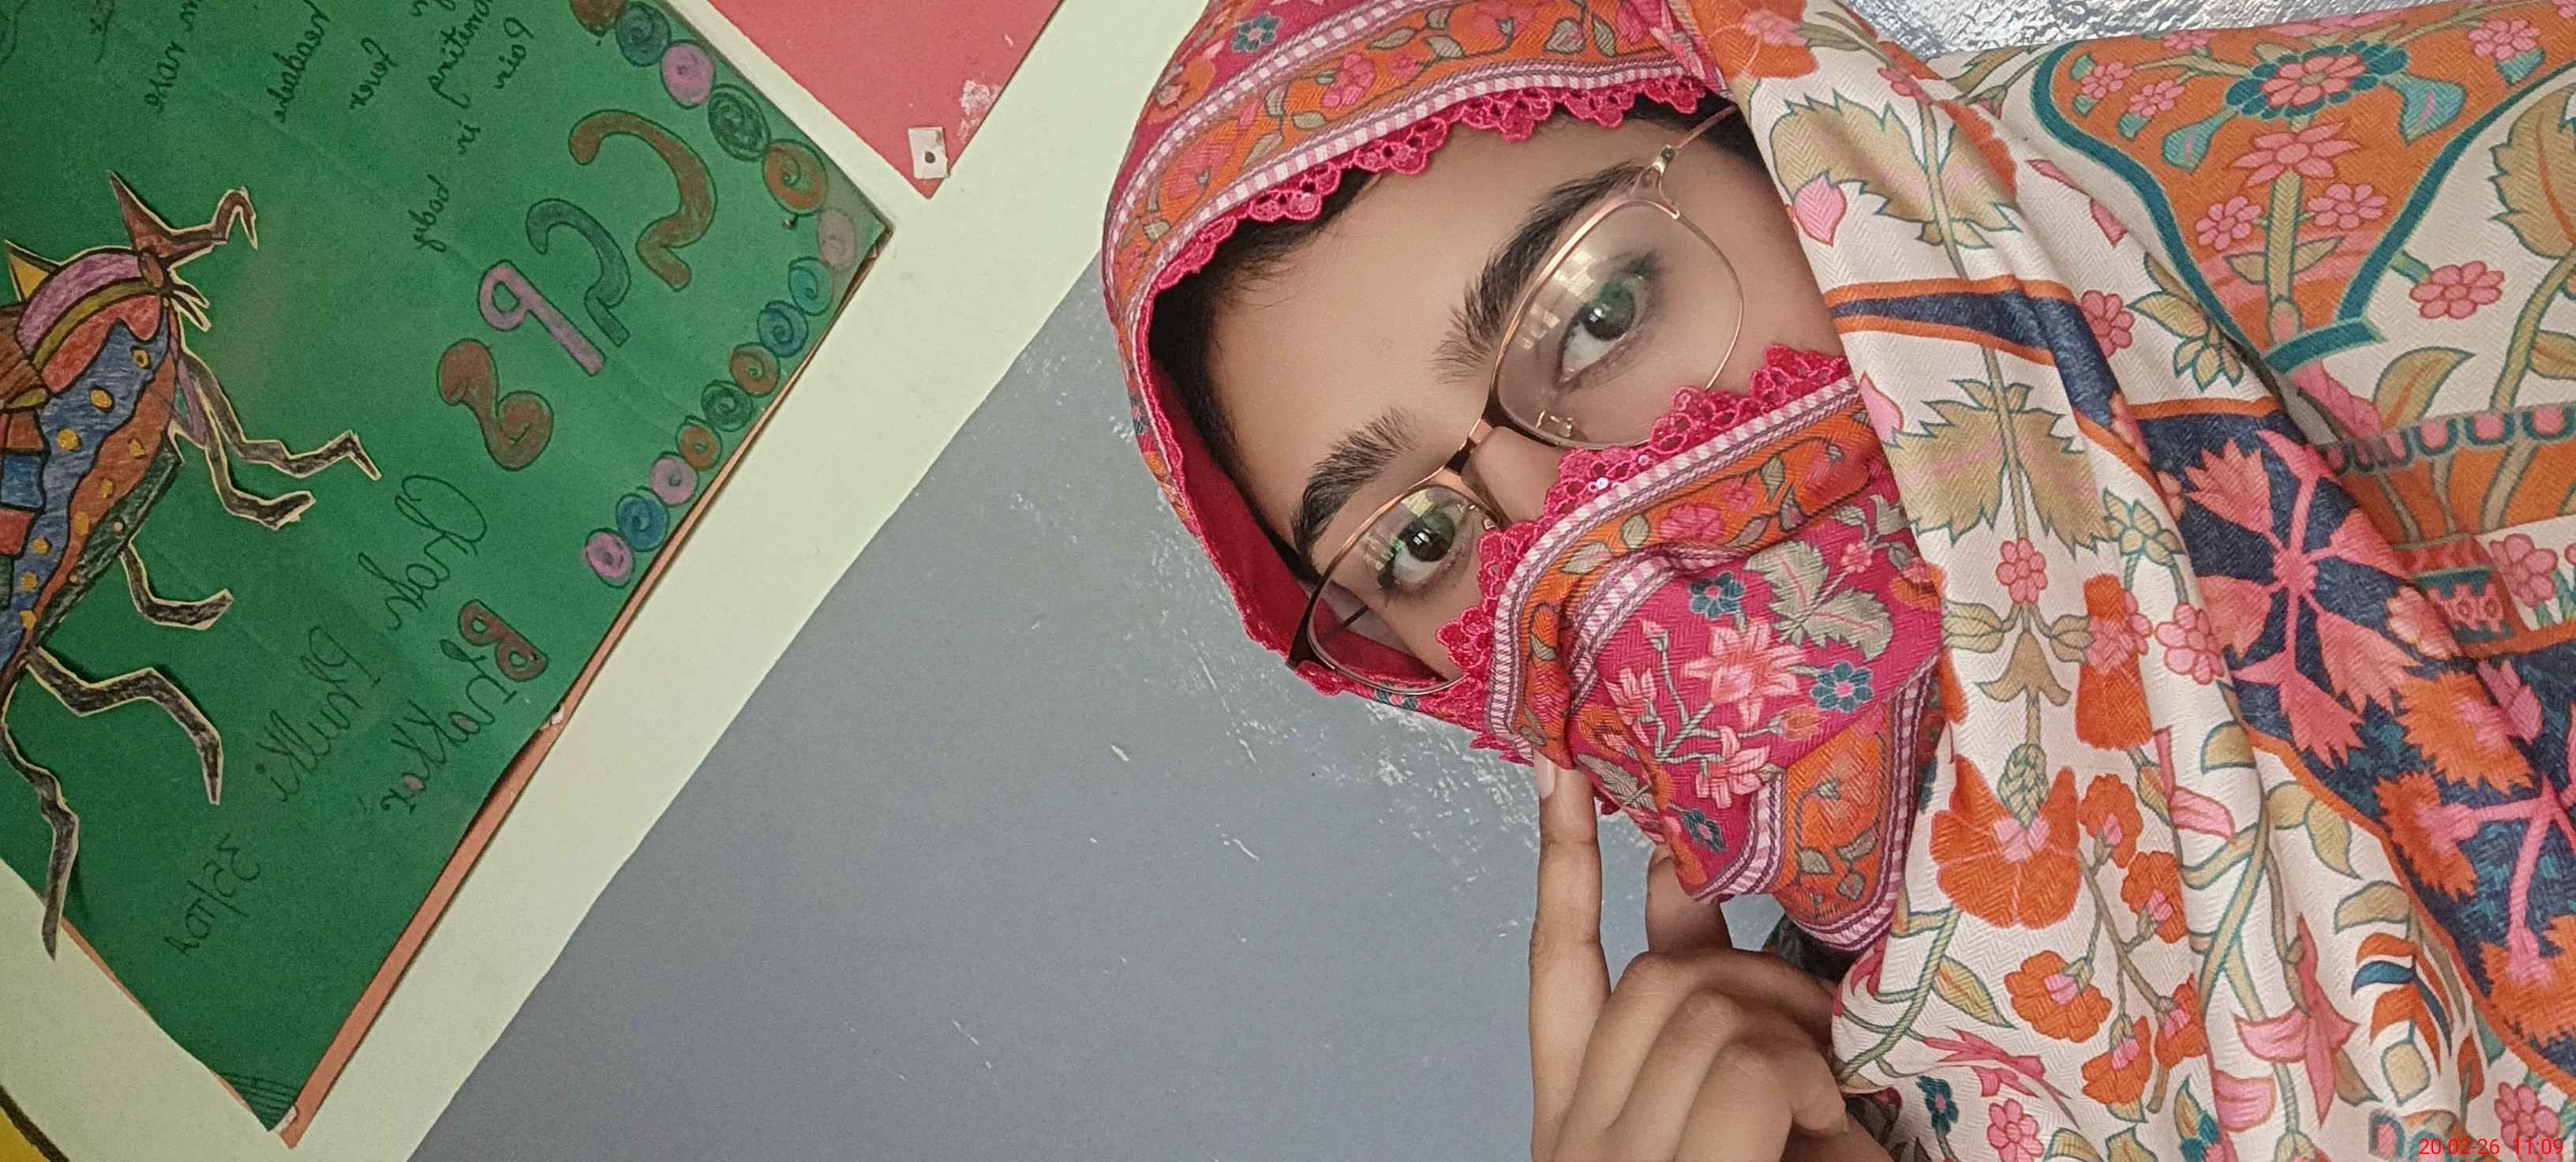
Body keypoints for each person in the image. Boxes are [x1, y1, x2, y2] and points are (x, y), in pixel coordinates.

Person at [1105, 0, 2576, 1155]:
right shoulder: (1829, 1111)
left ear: (1826, 163)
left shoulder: (2528, 264)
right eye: (1418, 545)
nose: (1589, 539)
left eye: (1600, 313)